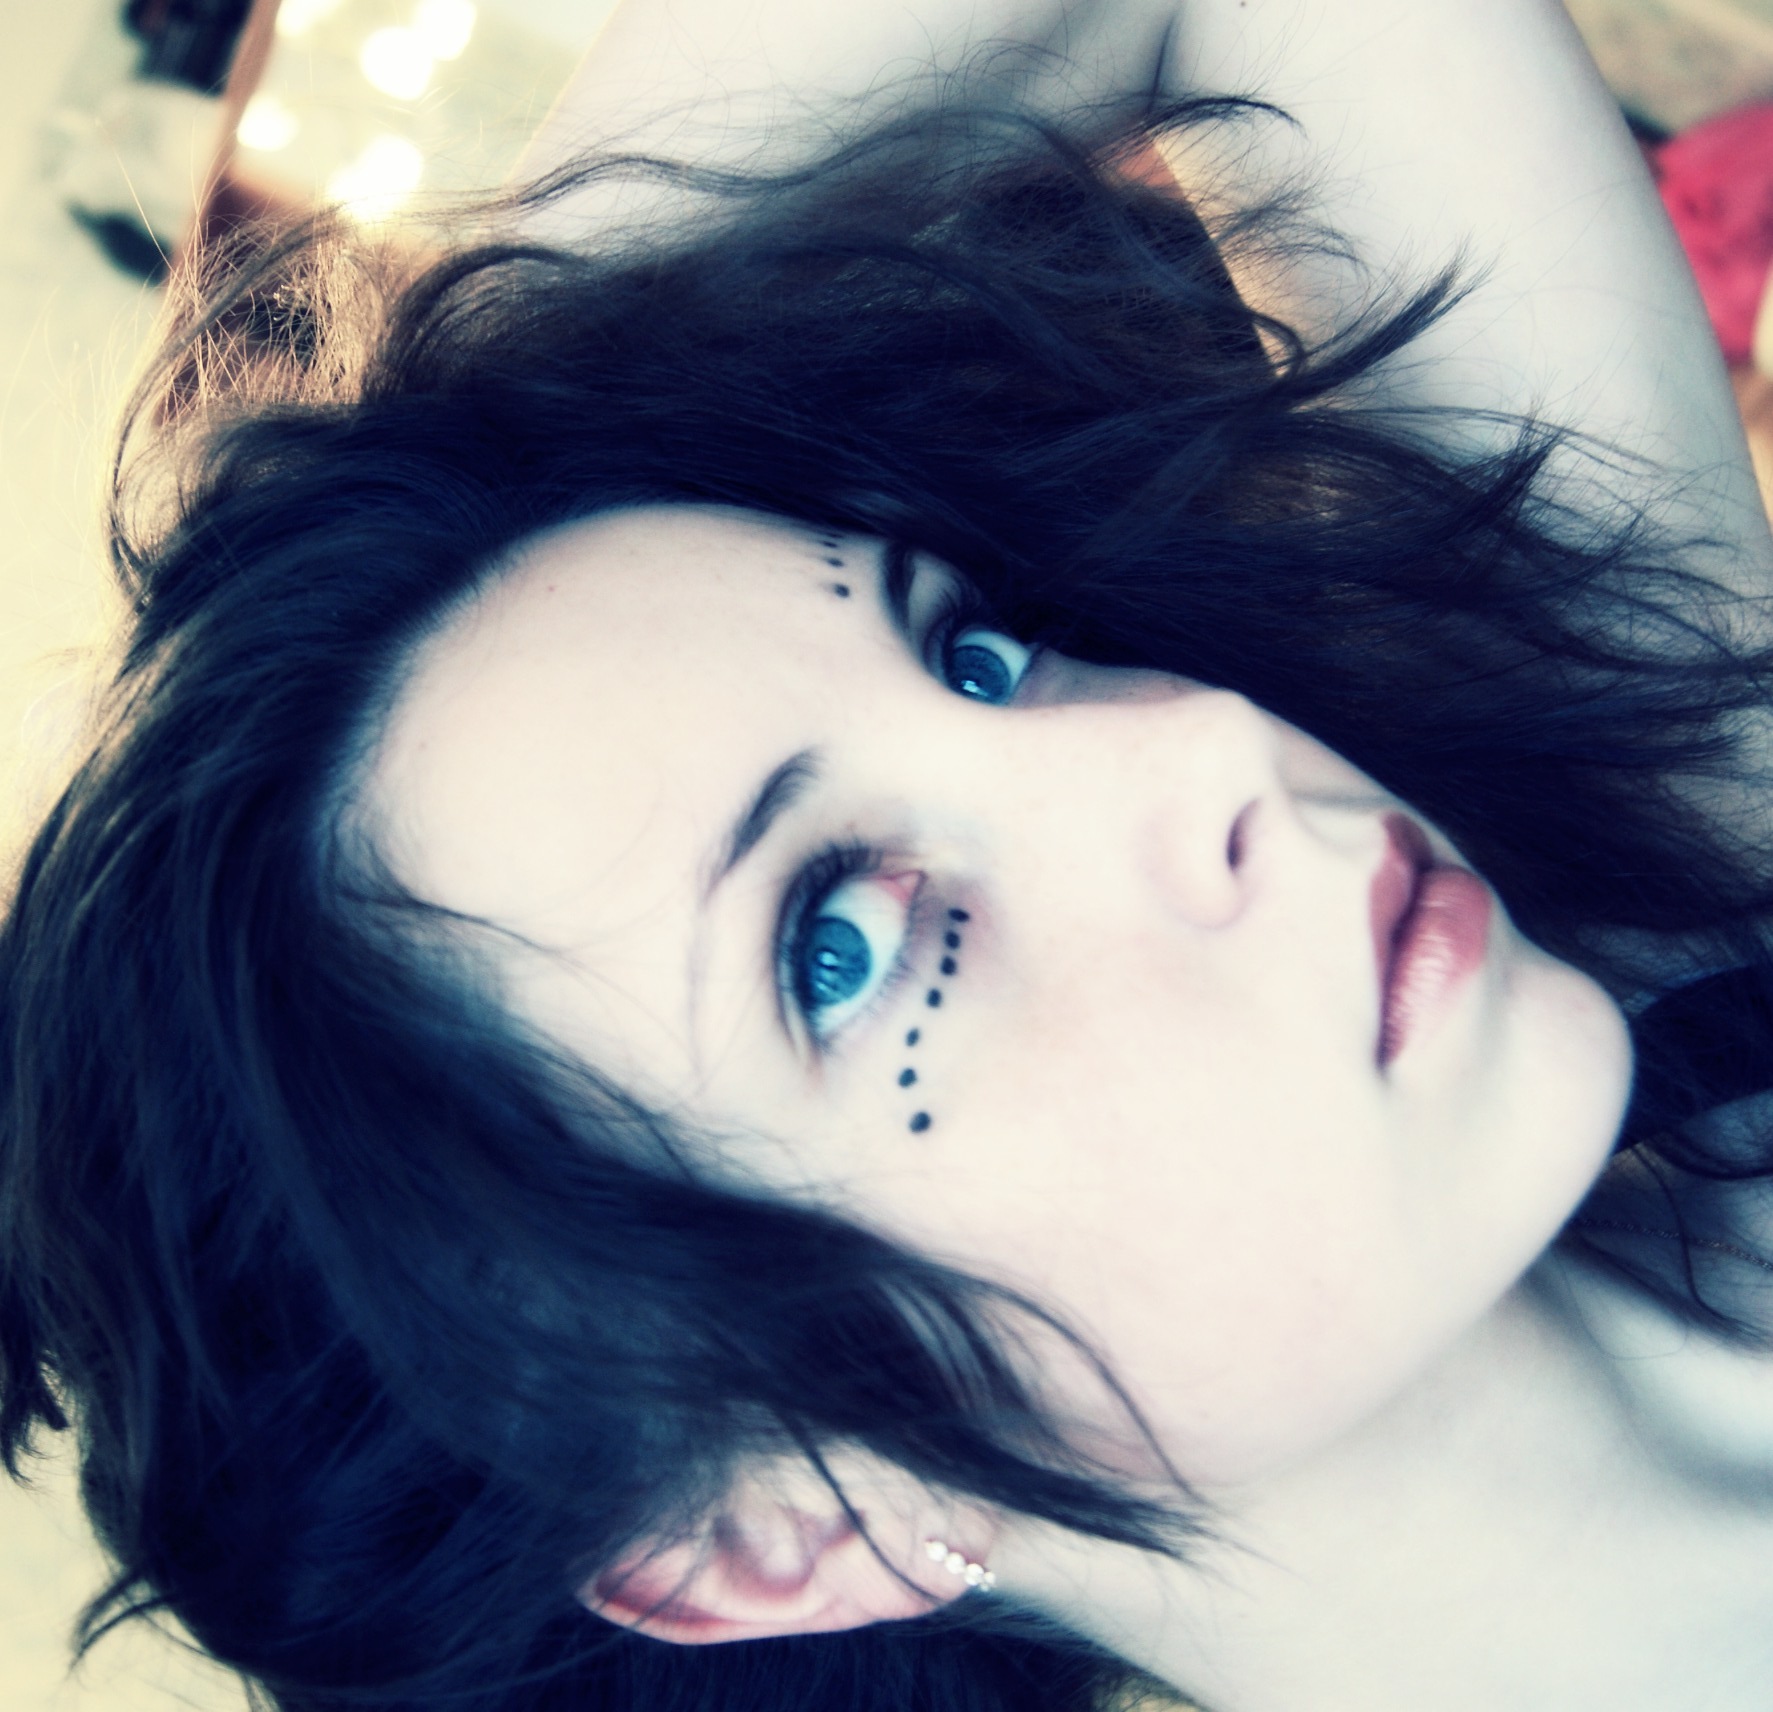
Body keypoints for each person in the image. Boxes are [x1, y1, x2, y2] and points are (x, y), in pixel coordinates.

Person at [5, 2, 1773, 1708]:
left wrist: (489, 429)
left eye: (978, 656)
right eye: (841, 947)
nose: (1197, 743)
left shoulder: (1687, 885)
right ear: (771, 1533)